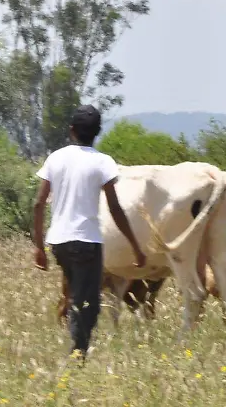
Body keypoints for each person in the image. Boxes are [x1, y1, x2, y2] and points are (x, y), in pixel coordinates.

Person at [31, 105, 146, 360]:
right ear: (97, 133)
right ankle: (77, 353)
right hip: (87, 242)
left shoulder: (55, 158)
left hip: (58, 242)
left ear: (71, 131)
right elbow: (115, 208)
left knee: (75, 293)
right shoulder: (103, 162)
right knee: (89, 304)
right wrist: (136, 247)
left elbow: (38, 204)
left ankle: (76, 345)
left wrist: (39, 247)